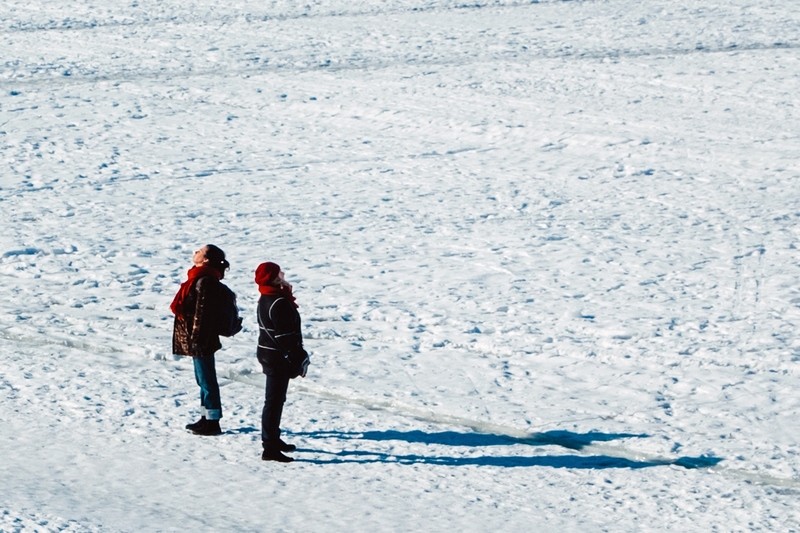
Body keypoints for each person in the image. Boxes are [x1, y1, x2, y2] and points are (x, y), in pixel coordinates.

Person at [171, 244, 231, 436]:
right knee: (202, 380)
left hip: (201, 339)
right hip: (197, 338)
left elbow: (202, 314)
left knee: (207, 380)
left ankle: (213, 422)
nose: (194, 252)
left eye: (199, 251)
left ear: (205, 259)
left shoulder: (204, 281)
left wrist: (196, 339)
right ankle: (206, 418)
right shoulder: (198, 278)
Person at [255, 261, 309, 462]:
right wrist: (299, 358)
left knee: (275, 400)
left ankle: (273, 440)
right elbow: (286, 337)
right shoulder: (279, 302)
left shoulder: (266, 296)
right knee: (274, 402)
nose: (284, 274)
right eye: (280, 273)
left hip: (268, 354)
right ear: (274, 278)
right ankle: (269, 447)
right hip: (276, 358)